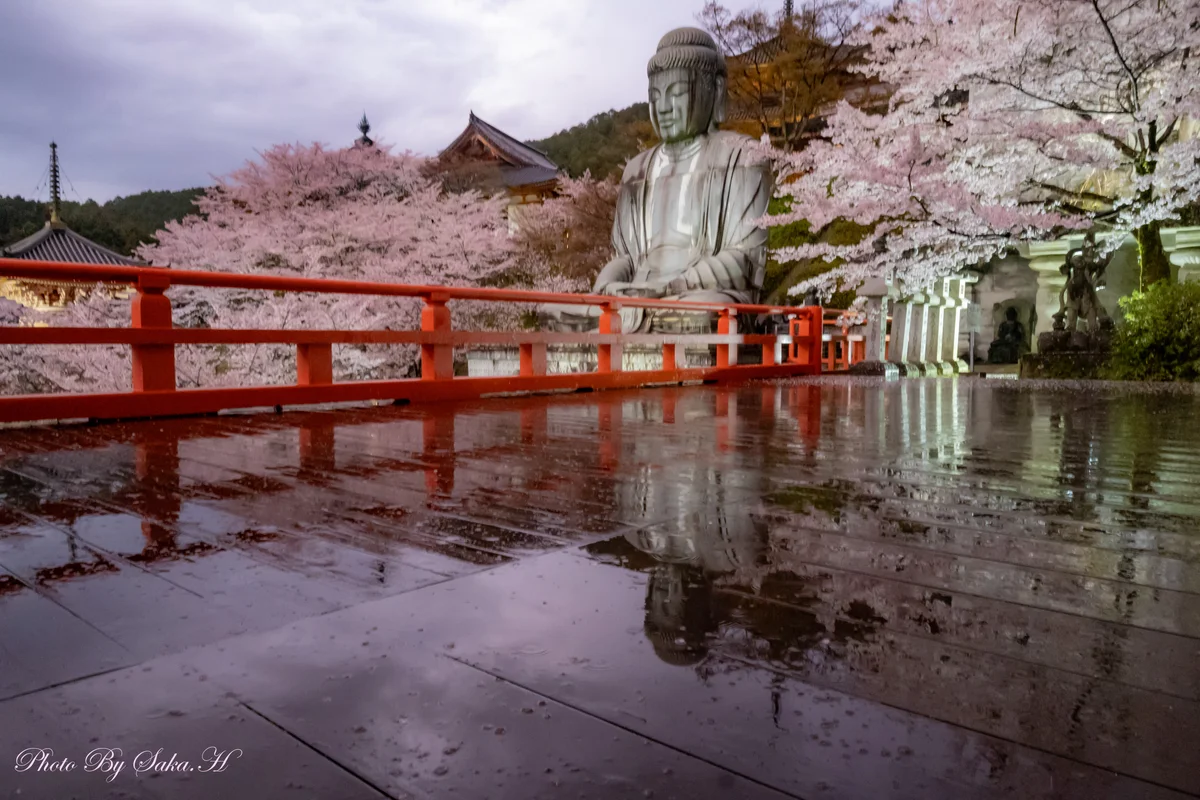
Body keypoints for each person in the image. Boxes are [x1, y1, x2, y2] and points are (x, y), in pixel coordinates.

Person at [540, 27, 774, 334]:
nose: (663, 107)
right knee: (551, 312)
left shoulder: (743, 157)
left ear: (713, 91)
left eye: (676, 94)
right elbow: (626, 256)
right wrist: (608, 284)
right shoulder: (637, 171)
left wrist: (671, 285)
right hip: (639, 294)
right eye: (655, 96)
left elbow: (744, 260)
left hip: (696, 295)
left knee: (703, 315)